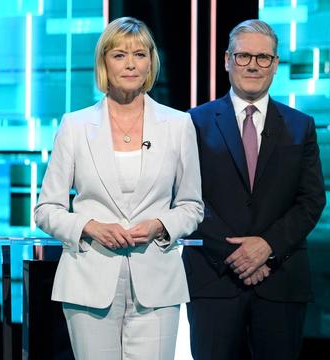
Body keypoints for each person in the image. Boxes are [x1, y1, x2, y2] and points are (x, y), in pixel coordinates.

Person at [34, 16, 204, 360]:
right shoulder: (75, 126)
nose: (130, 64)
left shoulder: (178, 124)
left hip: (157, 280)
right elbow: (46, 209)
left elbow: (191, 206)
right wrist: (89, 227)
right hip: (89, 278)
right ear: (104, 63)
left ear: (151, 63)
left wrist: (160, 225)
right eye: (120, 55)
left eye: (139, 55)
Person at [182, 19, 326, 359]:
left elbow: (311, 199)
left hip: (281, 280)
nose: (252, 65)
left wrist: (268, 246)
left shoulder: (299, 126)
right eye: (243, 55)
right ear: (227, 60)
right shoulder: (193, 122)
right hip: (213, 280)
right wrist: (236, 254)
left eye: (263, 58)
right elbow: (185, 195)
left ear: (275, 65)